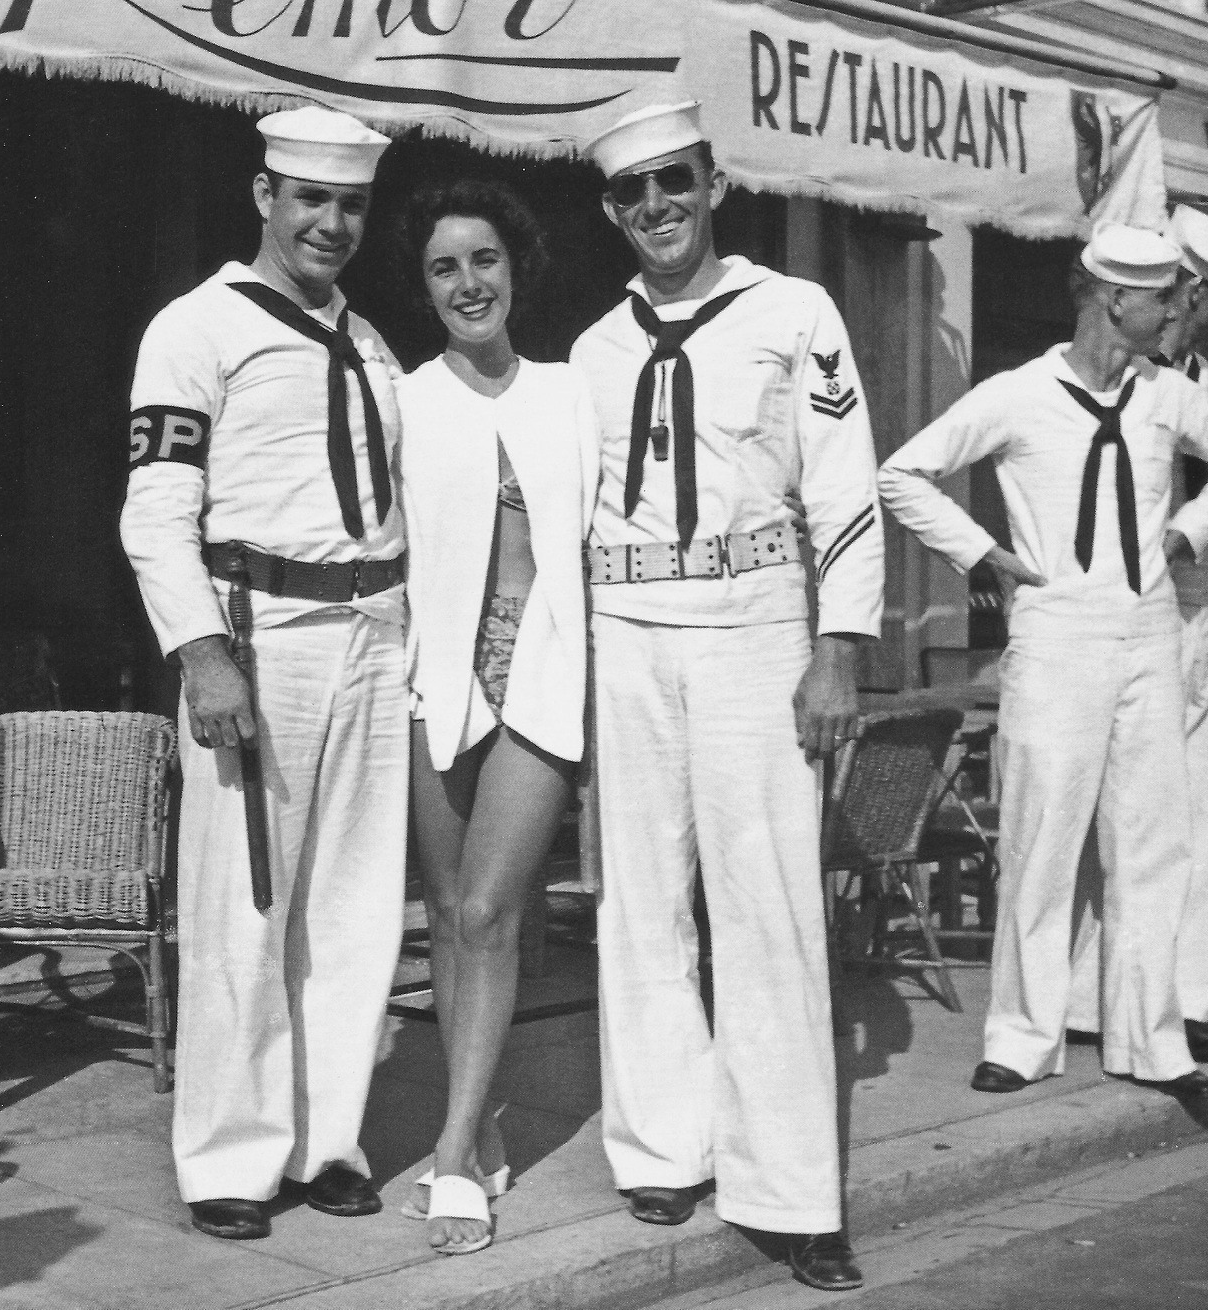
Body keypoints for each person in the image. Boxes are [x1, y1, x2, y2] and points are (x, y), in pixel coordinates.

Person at [570, 101, 884, 1293]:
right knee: (641, 899)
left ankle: (790, 1192)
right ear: (612, 210)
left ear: (714, 185)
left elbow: (842, 484)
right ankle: (661, 1146)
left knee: (768, 905)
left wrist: (837, 644)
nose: (656, 206)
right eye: (632, 191)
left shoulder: (793, 314)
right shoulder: (592, 351)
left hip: (754, 626)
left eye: (674, 181)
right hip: (627, 631)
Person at [121, 106, 409, 1241]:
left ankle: (326, 1139)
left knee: (352, 903)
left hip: (373, 630)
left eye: (351, 204)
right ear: (264, 197)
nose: (331, 223)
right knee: (244, 904)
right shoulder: (194, 327)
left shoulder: (370, 341)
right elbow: (155, 511)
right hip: (259, 634)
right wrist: (201, 652)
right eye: (310, 199)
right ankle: (230, 1159)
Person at [878, 222, 1208, 1102]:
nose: (1177, 312)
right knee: (1040, 840)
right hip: (1056, 637)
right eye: (1163, 299)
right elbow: (903, 474)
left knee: (1150, 843)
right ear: (1115, 299)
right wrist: (982, 552)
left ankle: (1151, 1041)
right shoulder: (1018, 395)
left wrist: (1188, 530)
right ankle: (1022, 1036)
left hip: (1149, 634)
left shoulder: (1168, 395)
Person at [394, 180, 598, 1254]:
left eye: (484, 260)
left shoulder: (572, 393)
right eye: (444, 267)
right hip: (436, 676)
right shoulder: (405, 399)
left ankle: (449, 1151)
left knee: (487, 911)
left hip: (544, 669)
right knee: (443, 914)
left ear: (515, 267)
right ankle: (476, 1125)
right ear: (425, 287)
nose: (468, 282)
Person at [1069, 205, 1208, 1065]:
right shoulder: (1126, 375)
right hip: (1133, 612)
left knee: (1196, 814)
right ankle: (1096, 994)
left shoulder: (1196, 379)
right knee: (1111, 808)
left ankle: (1183, 995)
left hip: (1200, 605)